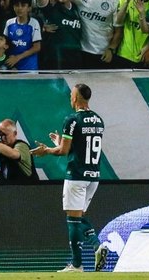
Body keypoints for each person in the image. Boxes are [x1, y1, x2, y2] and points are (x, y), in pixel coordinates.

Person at [32, 83, 107, 272]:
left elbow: (63, 152)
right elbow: (79, 146)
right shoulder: (98, 120)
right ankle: (97, 247)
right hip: (94, 176)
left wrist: (47, 150)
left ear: (75, 98)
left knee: (73, 220)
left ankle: (77, 264)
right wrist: (59, 141)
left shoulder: (72, 120)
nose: (70, 97)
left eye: (71, 94)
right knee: (79, 216)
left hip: (76, 175)